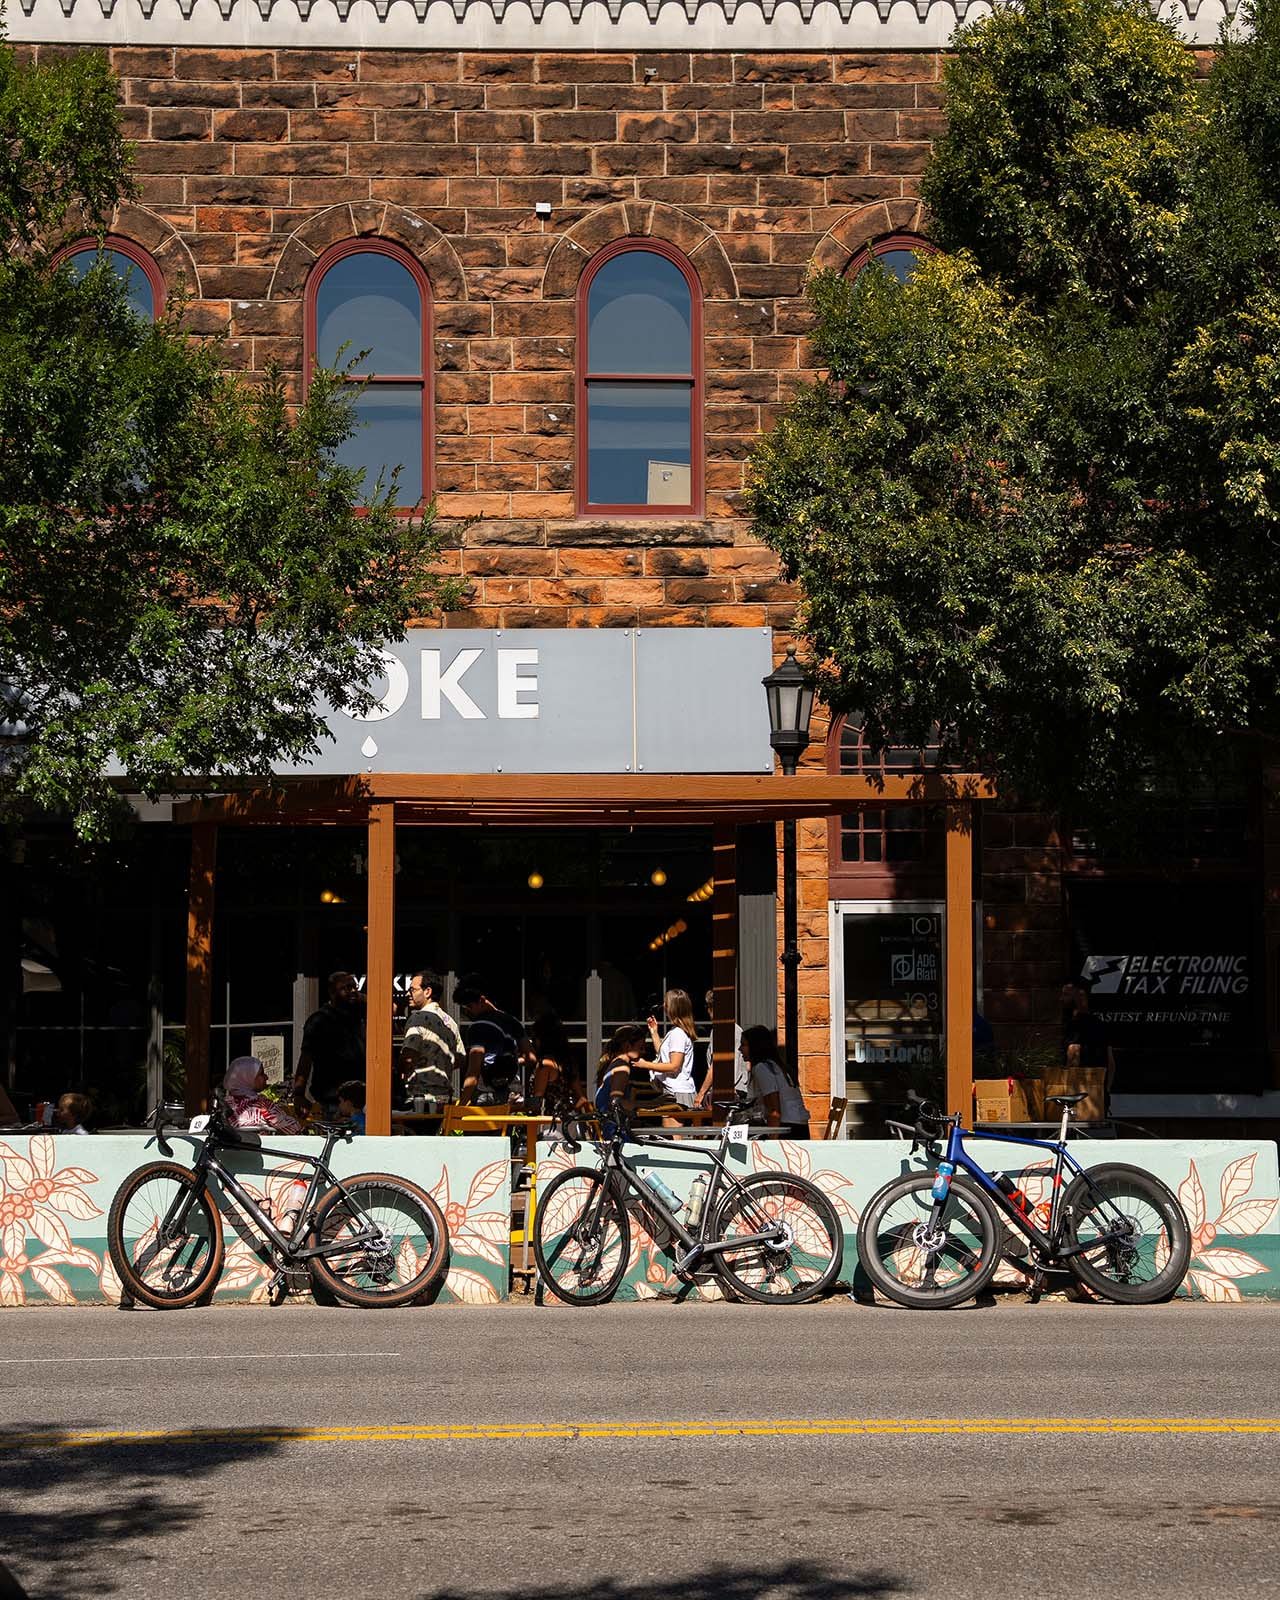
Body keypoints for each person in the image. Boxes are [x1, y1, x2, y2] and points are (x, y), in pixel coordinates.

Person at [294, 971, 365, 1113]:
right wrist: (299, 1094)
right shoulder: (319, 1020)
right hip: (332, 1098)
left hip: (361, 1096)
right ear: (332, 993)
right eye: (346, 988)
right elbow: (306, 1059)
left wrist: (360, 996)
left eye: (354, 987)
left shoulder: (357, 1015)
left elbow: (390, 1008)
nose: (352, 991)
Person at [453, 975, 525, 1106]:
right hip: (512, 1093)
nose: (468, 1011)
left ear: (482, 1000)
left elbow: (473, 1072)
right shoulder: (513, 1022)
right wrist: (509, 1061)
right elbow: (530, 1057)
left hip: (487, 1094)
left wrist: (461, 1105)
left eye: (469, 1006)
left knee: (477, 1126)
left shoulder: (478, 1027)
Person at [400, 970, 463, 1109]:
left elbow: (408, 1057)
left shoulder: (418, 1018)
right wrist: (441, 1065)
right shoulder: (450, 1022)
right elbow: (460, 1058)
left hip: (420, 1097)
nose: (408, 994)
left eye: (413, 990)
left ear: (427, 991)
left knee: (417, 1130)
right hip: (444, 1096)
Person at [740, 1025, 810, 1139]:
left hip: (786, 1129)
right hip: (799, 1127)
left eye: (743, 1045)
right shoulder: (776, 1065)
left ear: (755, 1046)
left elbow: (774, 1110)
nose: (740, 1049)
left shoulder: (762, 1068)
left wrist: (772, 1141)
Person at [646, 988, 699, 1115]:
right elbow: (665, 1057)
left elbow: (674, 1066)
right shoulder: (676, 1032)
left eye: (666, 1003)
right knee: (673, 1133)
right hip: (675, 1091)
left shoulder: (678, 1034)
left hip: (678, 1093)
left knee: (674, 1134)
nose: (664, 1006)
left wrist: (645, 1064)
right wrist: (654, 1032)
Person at [1062, 980, 1117, 1098]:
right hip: (1098, 1090)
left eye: (1066, 995)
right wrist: (1106, 1089)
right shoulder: (1100, 1024)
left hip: (1080, 1092)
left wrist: (1068, 1088)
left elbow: (1074, 1054)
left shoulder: (1075, 1024)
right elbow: (1111, 1061)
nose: (1061, 999)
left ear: (1078, 998)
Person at [694, 987, 748, 1107]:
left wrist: (701, 1094)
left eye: (708, 1007)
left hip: (728, 1092)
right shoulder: (736, 1029)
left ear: (712, 1008)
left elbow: (717, 1065)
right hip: (737, 1090)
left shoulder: (722, 1030)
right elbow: (747, 1064)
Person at [223, 1056, 303, 1134]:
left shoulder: (223, 1105)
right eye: (261, 1074)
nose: (266, 1077)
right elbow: (293, 1129)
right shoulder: (263, 1105)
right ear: (249, 1078)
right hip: (258, 1146)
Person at [526, 1012, 581, 1115]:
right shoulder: (568, 1063)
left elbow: (537, 1101)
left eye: (535, 1037)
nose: (533, 1042)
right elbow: (581, 1097)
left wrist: (515, 1107)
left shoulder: (545, 1064)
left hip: (550, 1122)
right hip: (569, 1120)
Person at [593, 1023, 649, 1120]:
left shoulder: (613, 1063)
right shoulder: (622, 1068)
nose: (643, 1052)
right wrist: (651, 1104)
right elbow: (616, 1102)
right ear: (627, 1046)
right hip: (613, 1127)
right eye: (641, 1047)